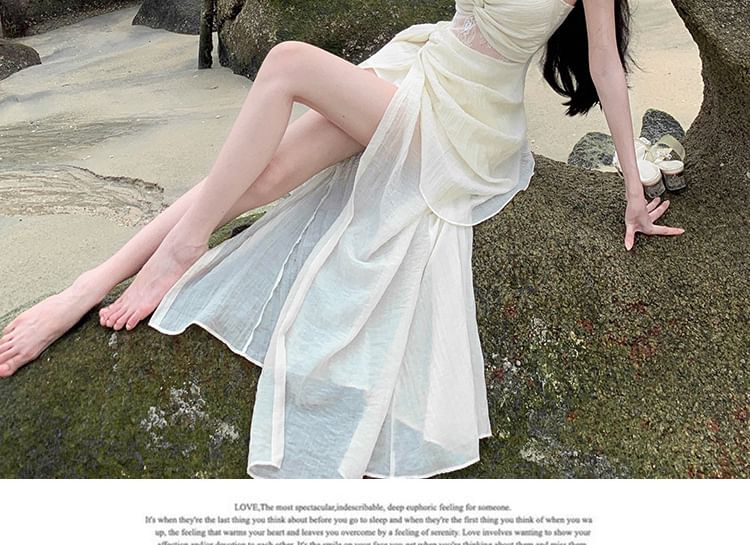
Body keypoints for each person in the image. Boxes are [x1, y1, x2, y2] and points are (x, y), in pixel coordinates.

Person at [0, 0, 684, 477]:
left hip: (464, 123)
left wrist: (633, 190)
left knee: (288, 62)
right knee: (255, 177)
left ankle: (181, 247)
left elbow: (606, 66)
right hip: (419, 67)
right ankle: (86, 286)